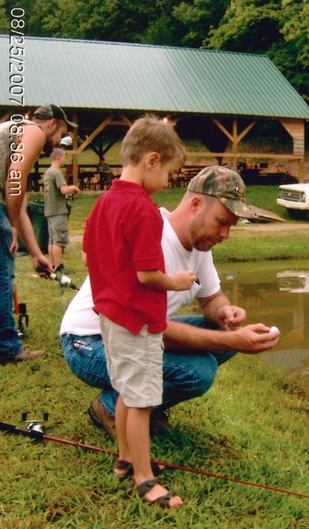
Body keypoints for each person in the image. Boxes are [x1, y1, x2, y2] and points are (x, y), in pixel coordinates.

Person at [60, 165, 280, 440]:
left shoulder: (199, 244)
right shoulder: (151, 234)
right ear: (196, 205)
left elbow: (211, 297)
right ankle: (109, 407)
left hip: (140, 330)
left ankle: (140, 404)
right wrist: (234, 342)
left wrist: (224, 312)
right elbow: (150, 327)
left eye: (231, 226)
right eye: (222, 222)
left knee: (226, 332)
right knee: (198, 372)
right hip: (88, 341)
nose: (225, 234)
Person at [83, 116, 197, 508]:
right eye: (169, 172)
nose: (168, 182)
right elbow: (148, 274)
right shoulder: (144, 210)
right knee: (143, 398)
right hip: (138, 320)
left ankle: (126, 458)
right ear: (151, 160)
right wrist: (177, 282)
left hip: (109, 317)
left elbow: (88, 255)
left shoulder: (103, 203)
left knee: (124, 390)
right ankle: (145, 479)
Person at [0, 103, 77, 363]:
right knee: (3, 275)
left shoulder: (16, 131)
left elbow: (18, 204)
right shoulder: (33, 131)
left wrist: (35, 255)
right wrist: (10, 226)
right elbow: (15, 179)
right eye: (61, 134)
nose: (58, 142)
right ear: (51, 123)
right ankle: (6, 348)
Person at [44, 148, 79, 272]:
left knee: (52, 239)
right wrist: (73, 188)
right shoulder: (57, 172)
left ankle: (51, 264)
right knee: (59, 239)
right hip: (58, 211)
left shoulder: (48, 172)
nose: (65, 160)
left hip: (49, 210)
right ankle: (59, 266)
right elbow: (64, 190)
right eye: (64, 157)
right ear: (59, 158)